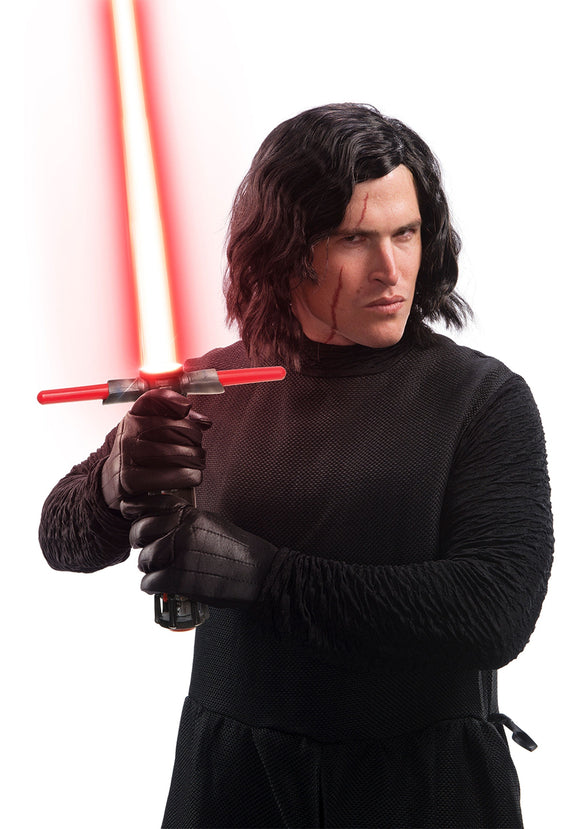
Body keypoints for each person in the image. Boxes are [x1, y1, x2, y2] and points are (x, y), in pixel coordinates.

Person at [39, 103, 554, 828]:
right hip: (232, 785)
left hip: (423, 787)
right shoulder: (213, 386)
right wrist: (110, 480)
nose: (391, 270)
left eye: (405, 233)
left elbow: (495, 612)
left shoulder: (480, 399)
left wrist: (264, 577)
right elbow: (61, 540)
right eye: (353, 238)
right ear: (285, 251)